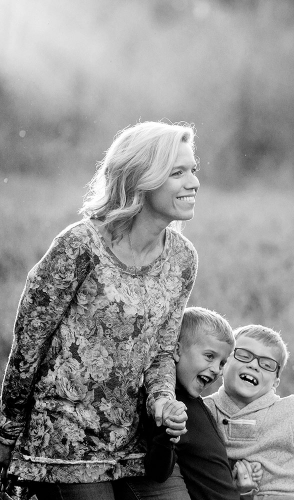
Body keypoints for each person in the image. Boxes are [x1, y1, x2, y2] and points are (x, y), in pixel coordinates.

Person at [0, 121, 200, 499]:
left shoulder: (182, 259)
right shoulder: (80, 245)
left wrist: (163, 401)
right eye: (178, 172)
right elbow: (29, 345)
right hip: (66, 442)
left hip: (138, 440)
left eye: (193, 169)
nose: (193, 182)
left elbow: (161, 353)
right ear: (141, 179)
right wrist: (7, 434)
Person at [203, 325, 294, 500]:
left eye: (267, 365)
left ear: (275, 383)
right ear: (223, 364)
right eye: (244, 355)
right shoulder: (206, 410)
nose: (253, 365)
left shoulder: (288, 412)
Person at [135, 306, 262, 500]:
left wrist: (240, 483)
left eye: (222, 363)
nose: (216, 369)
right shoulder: (169, 405)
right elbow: (158, 472)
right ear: (176, 350)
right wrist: (166, 432)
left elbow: (208, 465)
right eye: (209, 356)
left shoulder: (198, 405)